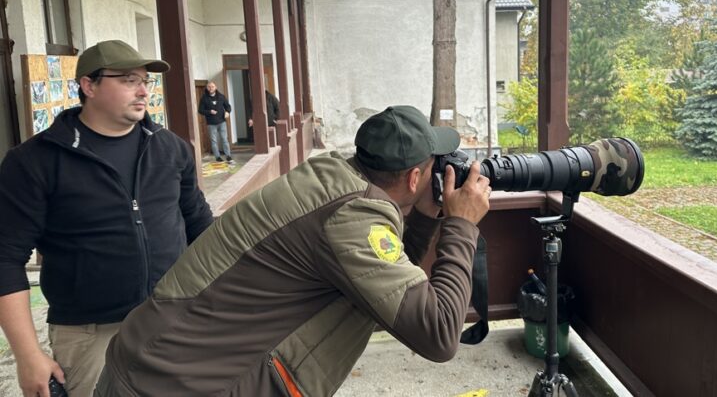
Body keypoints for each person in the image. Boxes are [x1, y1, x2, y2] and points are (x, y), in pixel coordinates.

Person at [94, 105, 491, 396]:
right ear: (416, 176)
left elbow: (387, 297)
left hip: (156, 367)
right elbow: (438, 335)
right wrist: (461, 224)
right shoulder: (352, 216)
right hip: (169, 385)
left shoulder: (334, 178)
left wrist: (423, 217)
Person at [0, 40, 214, 397]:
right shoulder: (34, 162)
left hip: (175, 320)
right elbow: (5, 259)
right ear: (89, 86)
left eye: (146, 80)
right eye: (129, 79)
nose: (144, 90)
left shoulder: (171, 149)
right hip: (90, 335)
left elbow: (201, 227)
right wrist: (27, 354)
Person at [198, 81, 233, 162]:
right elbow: (200, 110)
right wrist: (210, 111)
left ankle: (228, 155)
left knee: (224, 139)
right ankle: (217, 157)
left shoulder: (221, 97)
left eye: (212, 86)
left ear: (215, 87)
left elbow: (228, 106)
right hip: (211, 123)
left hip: (222, 122)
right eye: (209, 87)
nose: (211, 88)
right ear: (207, 88)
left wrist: (227, 112)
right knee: (214, 141)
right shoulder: (204, 98)